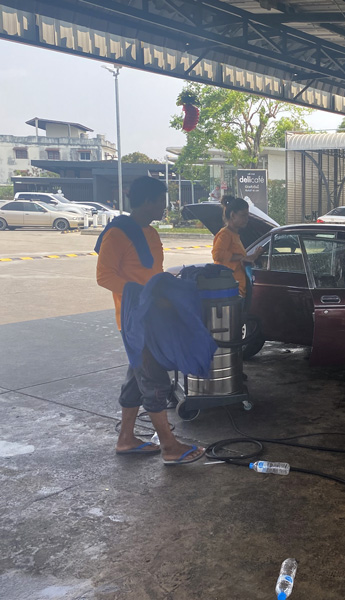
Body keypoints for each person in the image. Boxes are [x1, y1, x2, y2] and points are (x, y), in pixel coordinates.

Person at [96, 176, 205, 465]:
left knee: (137, 379)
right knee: (154, 379)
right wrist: (143, 293)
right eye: (161, 201)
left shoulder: (151, 233)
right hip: (136, 319)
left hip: (154, 316)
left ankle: (126, 439)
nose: (164, 207)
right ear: (147, 201)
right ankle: (169, 446)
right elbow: (104, 276)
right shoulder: (117, 234)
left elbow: (153, 272)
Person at [212, 196, 265, 297]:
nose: (246, 219)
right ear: (233, 215)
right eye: (243, 215)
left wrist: (255, 254)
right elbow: (217, 255)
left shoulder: (234, 235)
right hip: (230, 290)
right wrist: (241, 257)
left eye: (247, 215)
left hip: (239, 288)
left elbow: (240, 259)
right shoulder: (225, 234)